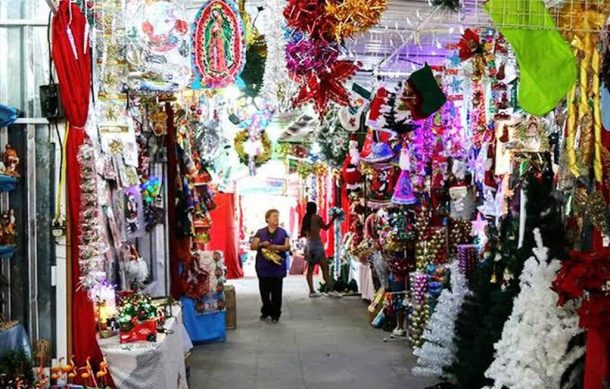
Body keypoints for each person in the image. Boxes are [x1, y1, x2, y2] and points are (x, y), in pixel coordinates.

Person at [250, 209, 290, 323]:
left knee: (277, 291)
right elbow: (253, 246)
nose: (276, 218)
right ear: (267, 219)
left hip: (278, 266)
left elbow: (287, 246)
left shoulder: (283, 232)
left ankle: (276, 314)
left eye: (277, 216)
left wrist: (277, 247)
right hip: (264, 266)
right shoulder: (260, 232)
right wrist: (262, 244)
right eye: (274, 216)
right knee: (264, 291)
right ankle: (266, 310)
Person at [300, 202, 340, 298]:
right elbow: (326, 228)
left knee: (310, 270)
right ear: (314, 208)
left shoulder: (305, 219)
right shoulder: (317, 218)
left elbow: (303, 233)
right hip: (317, 245)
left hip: (309, 245)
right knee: (325, 268)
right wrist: (333, 218)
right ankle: (331, 290)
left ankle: (312, 291)